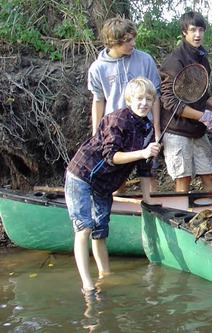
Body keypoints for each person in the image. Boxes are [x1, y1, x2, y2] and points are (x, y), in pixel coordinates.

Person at [65, 77, 161, 294]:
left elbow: (144, 168)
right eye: (139, 99)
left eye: (148, 99)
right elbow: (111, 157)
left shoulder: (147, 127)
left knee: (100, 230)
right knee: (84, 226)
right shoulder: (117, 119)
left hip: (104, 184)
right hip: (82, 174)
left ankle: (104, 275)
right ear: (129, 100)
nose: (144, 103)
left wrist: (147, 201)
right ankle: (87, 284)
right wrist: (143, 152)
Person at [159, 11, 212, 192]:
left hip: (198, 131)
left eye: (201, 30)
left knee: (210, 175)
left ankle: (211, 216)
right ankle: (182, 218)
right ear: (184, 32)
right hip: (177, 130)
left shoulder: (202, 57)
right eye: (193, 30)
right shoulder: (174, 61)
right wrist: (204, 116)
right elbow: (170, 102)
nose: (197, 35)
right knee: (183, 179)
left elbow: (203, 94)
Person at [87, 17, 162, 193]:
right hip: (116, 130)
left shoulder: (145, 60)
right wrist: (96, 133)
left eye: (133, 38)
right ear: (114, 43)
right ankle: (119, 212)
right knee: (116, 173)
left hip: (145, 127)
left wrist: (157, 129)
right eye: (128, 41)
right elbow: (98, 100)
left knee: (149, 172)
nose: (133, 44)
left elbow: (156, 96)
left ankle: (151, 208)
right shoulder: (98, 68)